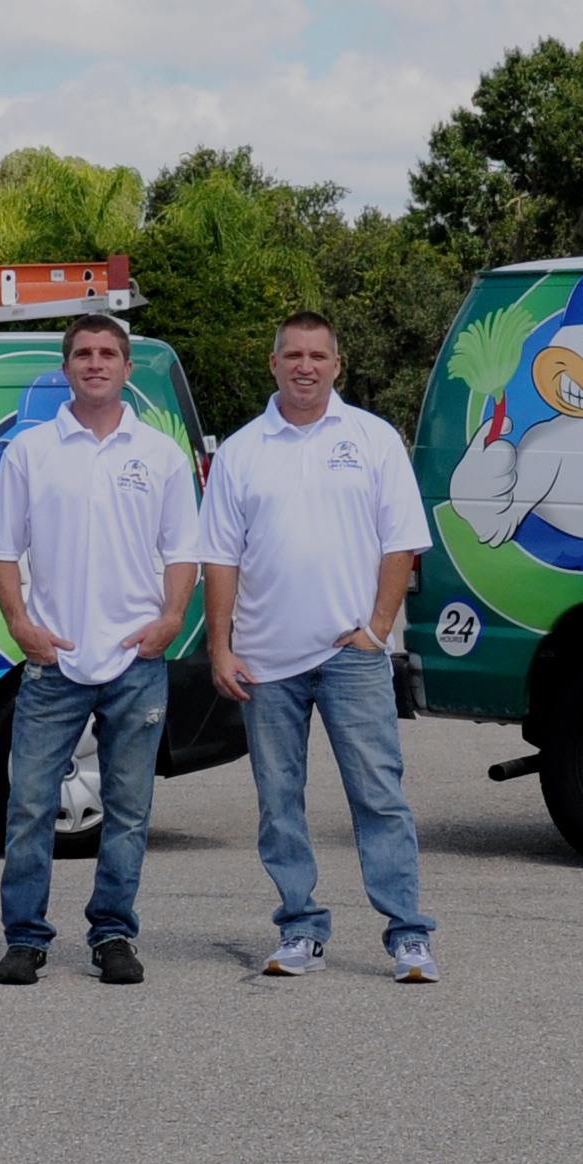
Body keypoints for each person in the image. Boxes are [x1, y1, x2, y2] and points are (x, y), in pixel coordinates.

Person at [197, 312, 437, 981]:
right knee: (279, 804)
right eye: (293, 355)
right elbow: (219, 558)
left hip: (350, 655)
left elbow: (402, 540)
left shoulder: (373, 438)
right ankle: (299, 928)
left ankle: (408, 934)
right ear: (272, 364)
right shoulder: (243, 451)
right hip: (266, 661)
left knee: (379, 796)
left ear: (338, 365)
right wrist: (221, 646)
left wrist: (377, 630)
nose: (305, 366)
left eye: (318, 355)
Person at [0, 313, 199, 985]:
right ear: (65, 368)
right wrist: (21, 625)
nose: (95, 362)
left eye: (108, 353)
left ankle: (112, 935)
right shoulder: (30, 451)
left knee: (129, 811)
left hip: (137, 660)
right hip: (54, 663)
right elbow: (1, 550)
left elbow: (183, 550)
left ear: (127, 370)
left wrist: (170, 620)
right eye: (83, 353)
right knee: (28, 807)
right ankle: (25, 938)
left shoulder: (158, 454)